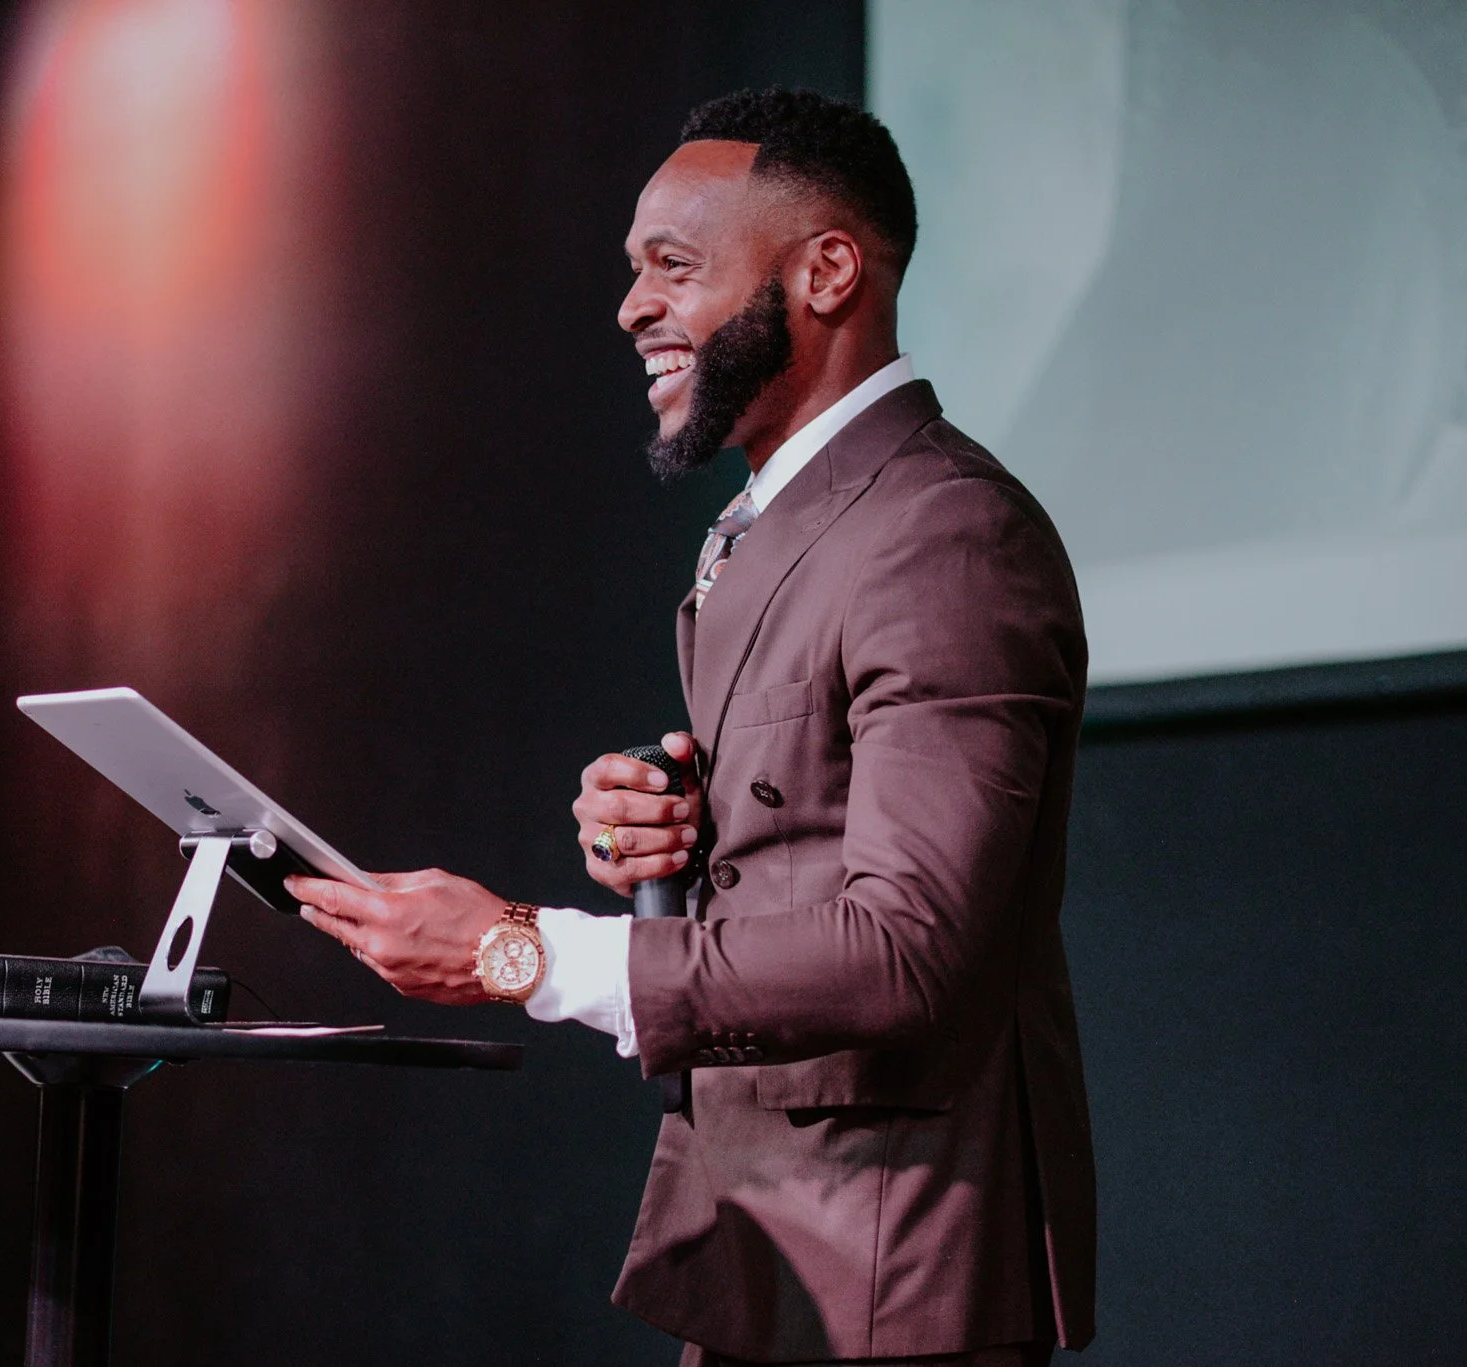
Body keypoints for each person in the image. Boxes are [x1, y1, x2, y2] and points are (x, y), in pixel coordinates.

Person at [286, 88, 1095, 1367]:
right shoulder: (764, 529)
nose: (630, 308)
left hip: (892, 1258)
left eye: (672, 266)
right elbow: (804, 846)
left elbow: (907, 949)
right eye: (631, 272)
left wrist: (523, 952)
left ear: (826, 270)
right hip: (765, 1231)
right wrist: (671, 832)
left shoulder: (944, 530)